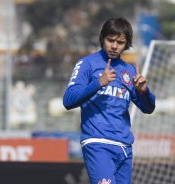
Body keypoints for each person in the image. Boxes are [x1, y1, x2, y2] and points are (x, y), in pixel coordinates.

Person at [63, 17, 155, 184]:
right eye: (110, 40)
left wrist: (143, 92)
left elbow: (148, 108)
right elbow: (68, 100)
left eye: (120, 42)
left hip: (124, 147)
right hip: (97, 142)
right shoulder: (87, 64)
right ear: (102, 38)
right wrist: (98, 83)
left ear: (127, 44)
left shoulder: (129, 70)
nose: (114, 46)